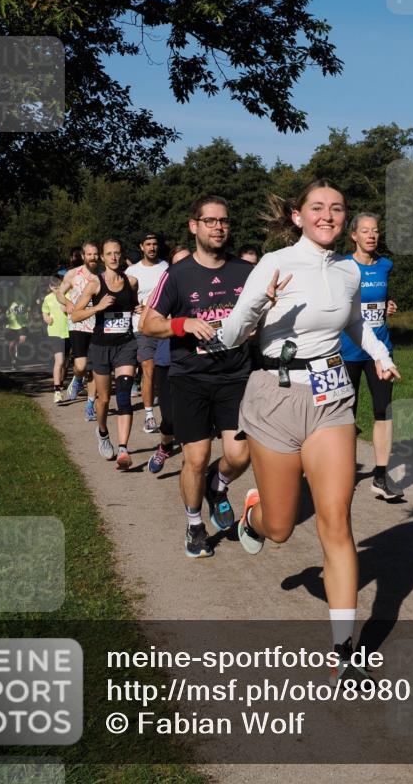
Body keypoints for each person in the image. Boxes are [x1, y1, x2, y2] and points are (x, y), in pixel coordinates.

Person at [220, 180, 400, 678]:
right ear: (297, 216)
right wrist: (261, 303)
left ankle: (344, 649)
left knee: (336, 521)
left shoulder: (347, 271)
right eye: (317, 208)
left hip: (331, 397)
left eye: (336, 208)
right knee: (279, 529)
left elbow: (356, 326)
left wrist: (381, 357)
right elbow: (231, 334)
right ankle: (253, 515)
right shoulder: (274, 263)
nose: (328, 216)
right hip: (275, 394)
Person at [141, 197, 255, 559]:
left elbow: (265, 313)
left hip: (235, 376)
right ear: (194, 226)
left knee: (239, 456)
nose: (218, 227)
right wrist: (182, 323)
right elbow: (147, 323)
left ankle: (217, 486)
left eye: (223, 221)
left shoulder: (244, 272)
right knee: (196, 455)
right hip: (190, 378)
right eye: (210, 221)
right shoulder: (177, 275)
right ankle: (194, 525)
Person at [339, 213, 399, 499]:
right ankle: (342, 471)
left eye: (375, 231)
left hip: (380, 351)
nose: (372, 236)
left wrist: (387, 305)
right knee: (344, 414)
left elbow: (380, 300)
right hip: (347, 351)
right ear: (354, 236)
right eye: (365, 231)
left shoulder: (385, 266)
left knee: (383, 411)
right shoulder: (341, 267)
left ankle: (381, 476)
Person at [71, 239, 140, 469]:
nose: (113, 257)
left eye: (117, 253)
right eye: (109, 254)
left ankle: (123, 449)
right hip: (101, 347)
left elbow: (133, 305)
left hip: (126, 345)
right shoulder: (95, 284)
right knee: (104, 399)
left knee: (123, 393)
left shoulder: (131, 282)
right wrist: (98, 307)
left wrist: (138, 309)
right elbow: (76, 315)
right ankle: (102, 432)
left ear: (121, 255)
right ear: (102, 257)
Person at [145, 246, 190, 474]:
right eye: (178, 263)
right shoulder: (165, 290)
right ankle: (164, 445)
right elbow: (146, 324)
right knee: (169, 420)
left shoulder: (204, 288)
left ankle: (193, 468)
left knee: (191, 421)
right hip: (166, 360)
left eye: (187, 261)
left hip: (195, 361)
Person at [127, 231, 169, 436]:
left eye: (154, 244)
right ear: (141, 247)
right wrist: (134, 307)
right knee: (148, 369)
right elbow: (125, 297)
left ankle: (171, 413)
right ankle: (149, 414)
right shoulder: (132, 271)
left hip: (164, 326)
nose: (152, 247)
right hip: (141, 327)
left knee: (165, 371)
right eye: (148, 244)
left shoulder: (167, 268)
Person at [58, 242, 99, 422]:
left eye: (96, 254)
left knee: (95, 368)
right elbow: (60, 293)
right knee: (81, 366)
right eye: (89, 254)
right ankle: (76, 378)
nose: (93, 257)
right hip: (77, 323)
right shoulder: (73, 274)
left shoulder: (103, 276)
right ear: (83, 256)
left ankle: (90, 405)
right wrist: (67, 303)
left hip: (97, 324)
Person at [42, 276, 69, 403]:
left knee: (66, 363)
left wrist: (67, 307)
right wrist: (46, 318)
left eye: (57, 285)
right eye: (53, 286)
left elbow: (72, 309)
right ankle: (57, 391)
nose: (55, 288)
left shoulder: (67, 294)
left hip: (68, 332)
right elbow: (44, 311)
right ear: (50, 287)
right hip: (54, 332)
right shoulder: (48, 298)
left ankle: (61, 382)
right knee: (59, 361)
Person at [4, 294, 30, 370]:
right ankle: (13, 360)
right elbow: (5, 316)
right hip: (12, 326)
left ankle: (18, 352)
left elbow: (27, 311)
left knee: (21, 341)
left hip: (22, 325)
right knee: (12, 345)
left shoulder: (24, 302)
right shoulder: (8, 304)